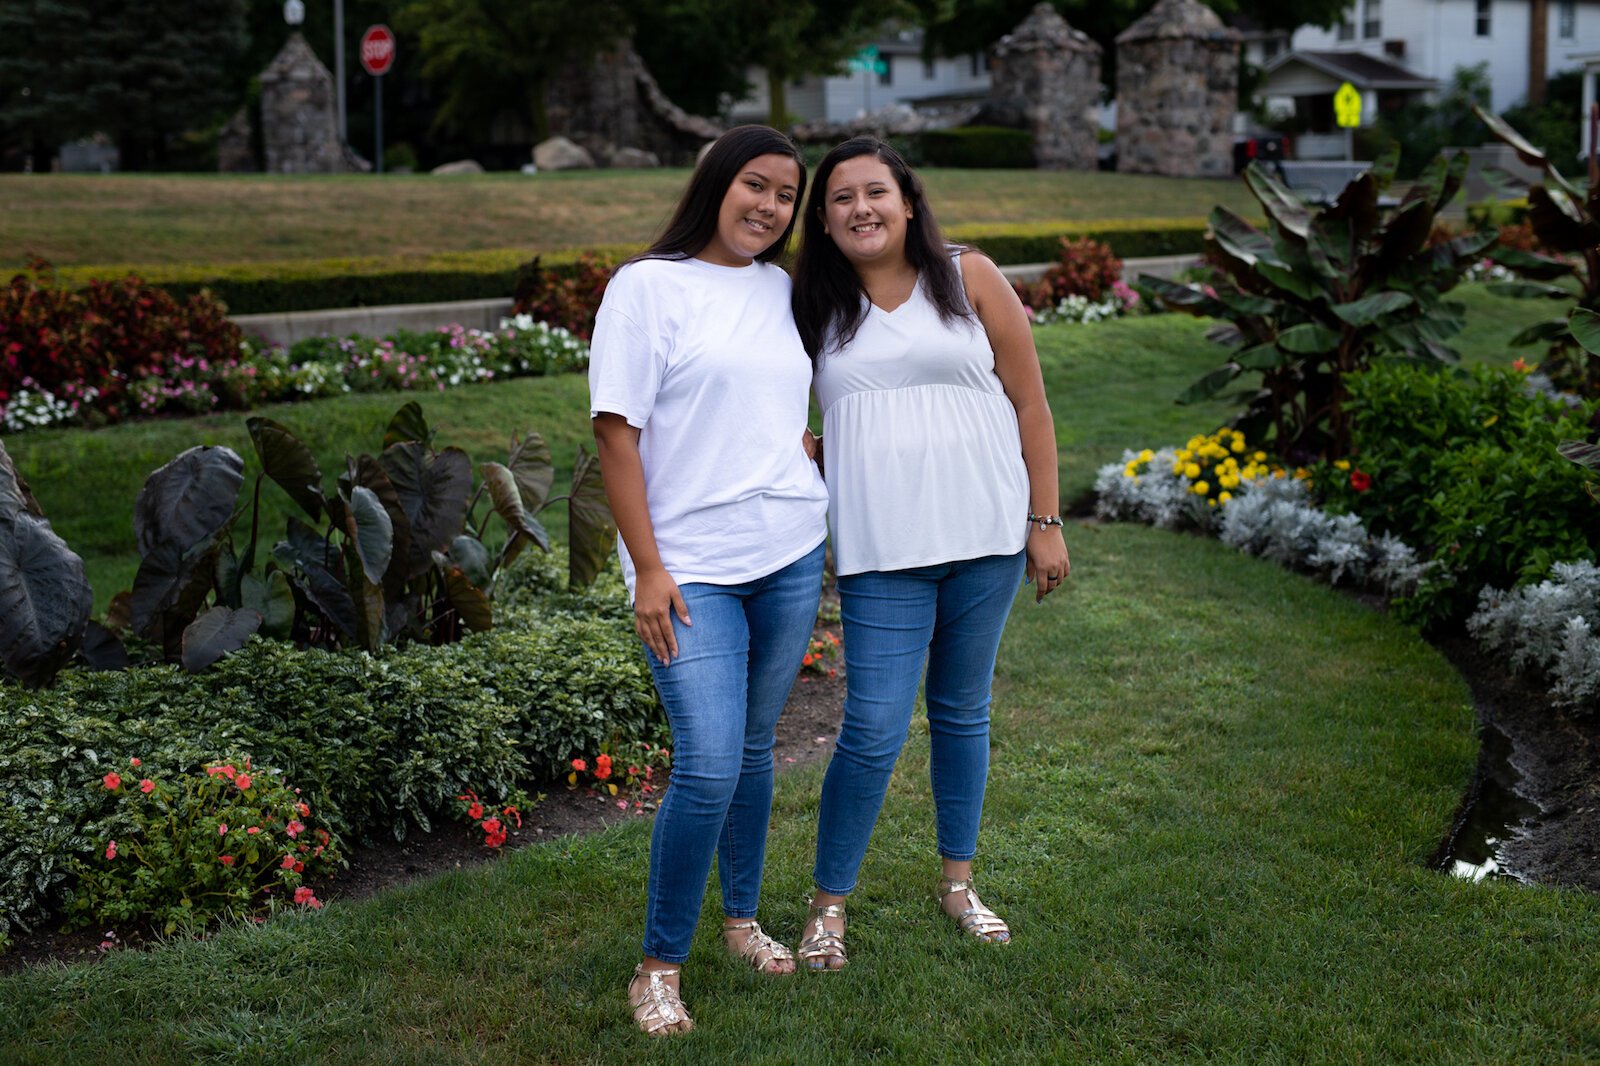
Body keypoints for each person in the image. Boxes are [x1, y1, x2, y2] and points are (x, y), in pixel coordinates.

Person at [789, 137, 1071, 969]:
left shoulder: (970, 276)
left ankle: (959, 884)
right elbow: (765, 400)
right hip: (883, 548)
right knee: (872, 729)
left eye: (876, 191)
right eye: (841, 199)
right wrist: (800, 450)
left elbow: (1031, 403)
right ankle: (827, 905)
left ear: (908, 201)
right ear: (826, 221)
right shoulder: (809, 303)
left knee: (960, 714)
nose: (861, 208)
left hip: (986, 535)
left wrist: (1045, 520)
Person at [588, 125, 829, 1033]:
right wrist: (648, 568)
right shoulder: (647, 287)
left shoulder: (785, 292)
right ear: (716, 183)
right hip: (689, 570)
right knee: (709, 762)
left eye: (784, 196)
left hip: (790, 548)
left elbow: (771, 407)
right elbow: (617, 434)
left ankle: (739, 919)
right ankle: (658, 964)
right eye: (755, 186)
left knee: (757, 748)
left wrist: (799, 452)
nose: (768, 207)